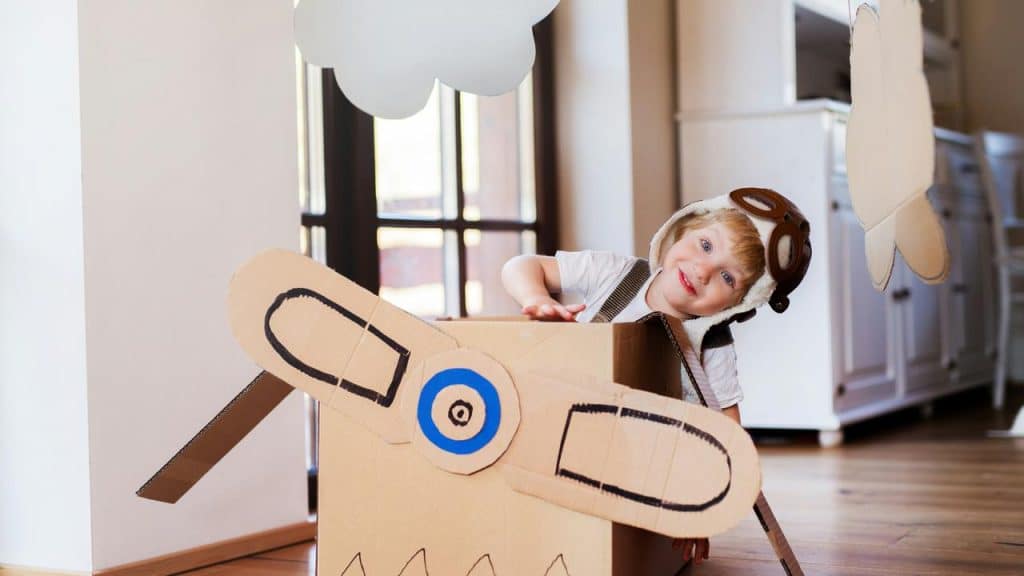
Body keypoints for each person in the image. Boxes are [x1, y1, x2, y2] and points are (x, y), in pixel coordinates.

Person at [501, 187, 811, 567]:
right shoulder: (615, 274)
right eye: (706, 246)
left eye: (728, 278)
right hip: (557, 428)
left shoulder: (711, 343)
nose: (702, 270)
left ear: (739, 304)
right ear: (680, 230)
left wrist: (701, 506)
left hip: (639, 461)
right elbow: (520, 265)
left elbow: (726, 438)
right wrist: (536, 296)